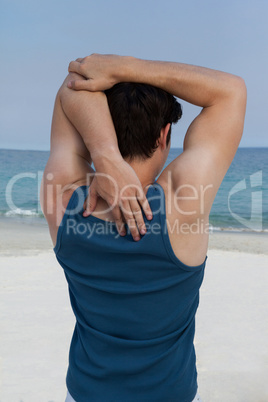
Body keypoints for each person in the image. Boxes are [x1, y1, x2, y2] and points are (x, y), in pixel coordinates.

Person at [40, 54, 246, 402]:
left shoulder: (61, 199)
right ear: (164, 135)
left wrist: (104, 153)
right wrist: (122, 68)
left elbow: (72, 82)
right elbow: (231, 91)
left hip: (86, 393)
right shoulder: (184, 201)